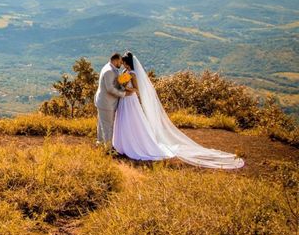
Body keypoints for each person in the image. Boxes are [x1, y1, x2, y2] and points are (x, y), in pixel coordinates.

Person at [112, 51, 245, 169]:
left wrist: (126, 89)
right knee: (124, 121)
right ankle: (123, 145)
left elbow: (137, 90)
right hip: (124, 100)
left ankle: (135, 145)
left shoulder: (133, 74)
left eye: (123, 62)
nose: (122, 64)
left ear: (126, 62)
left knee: (133, 123)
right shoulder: (125, 72)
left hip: (131, 101)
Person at [94, 53, 136, 150]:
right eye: (120, 62)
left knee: (101, 124)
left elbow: (115, 83)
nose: (121, 64)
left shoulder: (110, 67)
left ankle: (100, 143)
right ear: (116, 60)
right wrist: (124, 94)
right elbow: (110, 89)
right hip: (106, 103)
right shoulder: (109, 71)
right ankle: (109, 149)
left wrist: (123, 87)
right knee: (108, 126)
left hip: (103, 101)